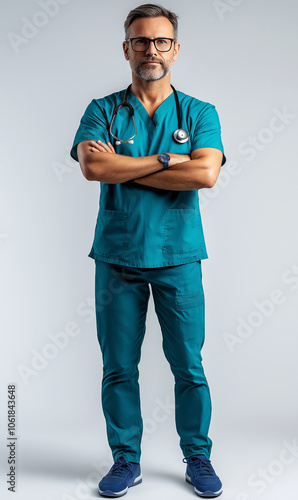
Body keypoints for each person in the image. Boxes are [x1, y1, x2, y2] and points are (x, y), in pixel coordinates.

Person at [70, 4, 226, 497]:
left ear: (175, 49)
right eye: (140, 41)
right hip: (118, 258)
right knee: (118, 365)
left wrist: (125, 162)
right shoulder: (103, 110)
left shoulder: (199, 112)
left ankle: (197, 457)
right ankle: (125, 461)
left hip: (178, 255)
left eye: (161, 42)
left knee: (189, 366)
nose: (150, 50)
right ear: (126, 48)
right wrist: (164, 159)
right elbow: (93, 169)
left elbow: (205, 174)